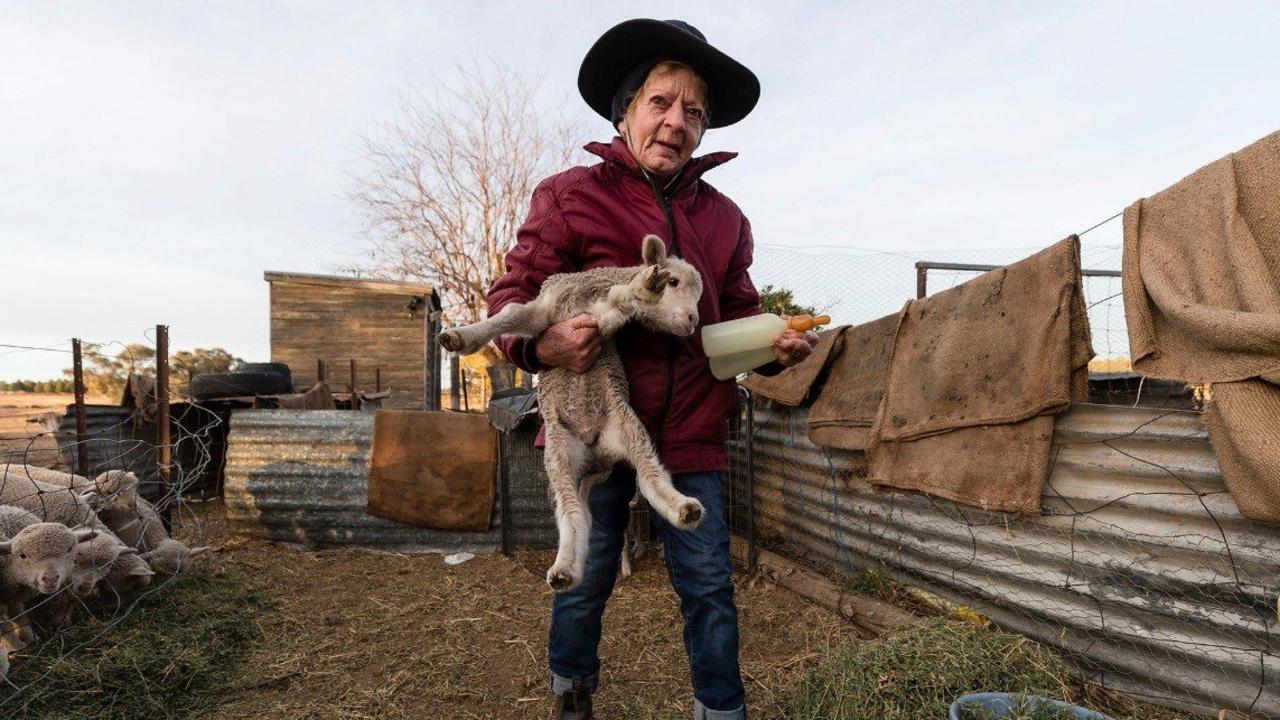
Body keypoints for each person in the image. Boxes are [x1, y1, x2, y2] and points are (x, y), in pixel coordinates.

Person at [486, 18, 818, 720]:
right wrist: (540, 349)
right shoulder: (570, 195)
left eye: (693, 112)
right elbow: (512, 299)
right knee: (586, 578)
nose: (677, 122)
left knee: (708, 585)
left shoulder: (725, 219)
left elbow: (736, 319)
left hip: (691, 431)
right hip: (593, 424)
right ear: (626, 111)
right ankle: (571, 689)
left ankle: (720, 709)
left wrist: (773, 344)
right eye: (661, 103)